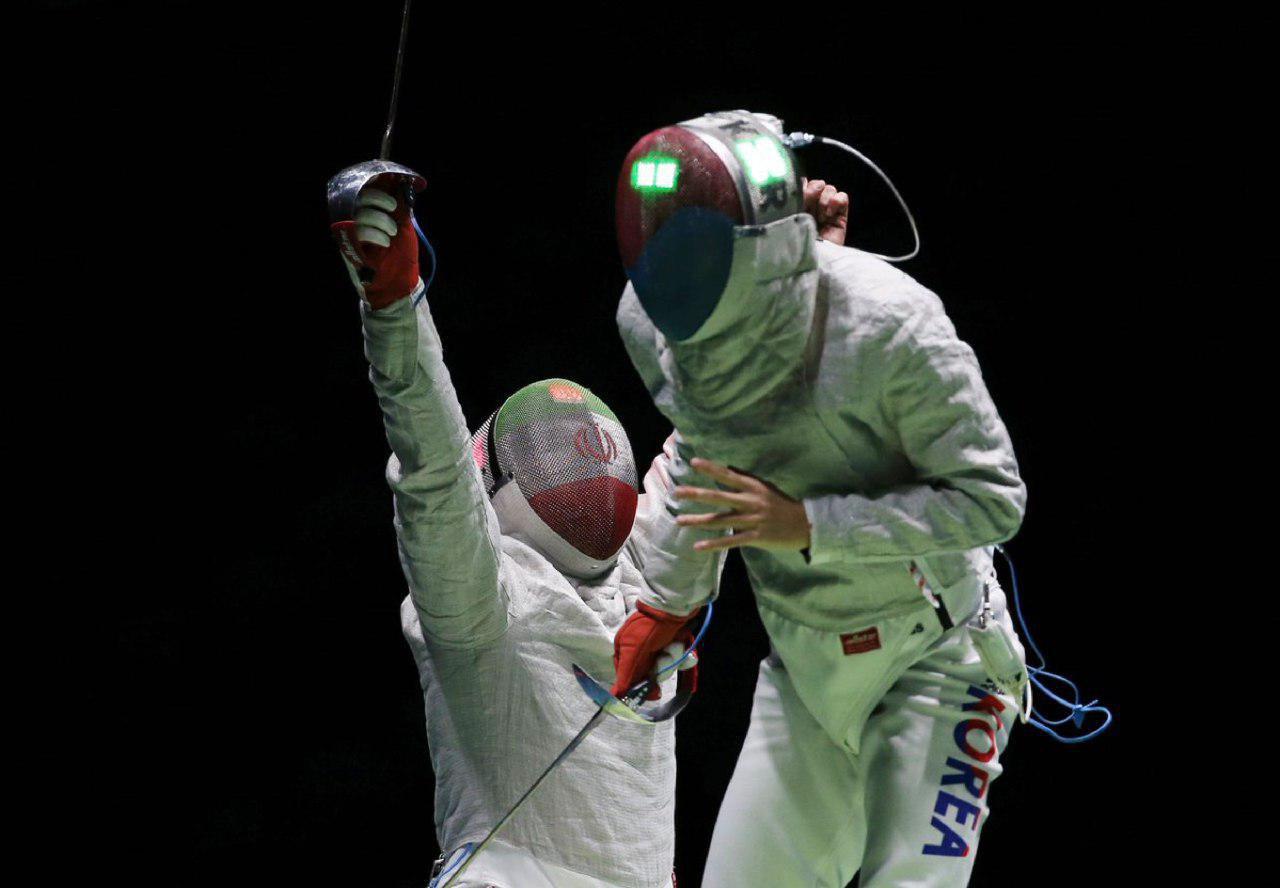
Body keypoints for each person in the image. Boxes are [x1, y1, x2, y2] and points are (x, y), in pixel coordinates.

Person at [611, 110, 1029, 887]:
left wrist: (808, 525)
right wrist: (669, 602)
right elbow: (704, 449)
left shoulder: (894, 322)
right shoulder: (651, 320)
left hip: (938, 659)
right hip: (805, 670)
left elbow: (992, 500)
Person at [331, 172, 719, 888]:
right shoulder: (629, 583)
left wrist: (394, 307)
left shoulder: (506, 599)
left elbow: (436, 470)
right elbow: (715, 435)